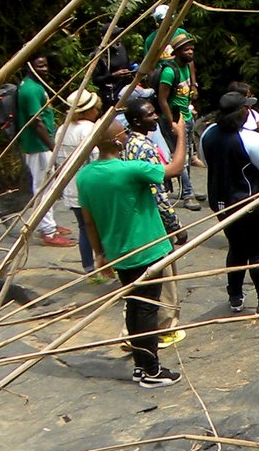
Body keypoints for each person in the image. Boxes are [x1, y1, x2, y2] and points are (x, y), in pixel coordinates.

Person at [76, 109, 188, 387]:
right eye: (123, 134)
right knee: (147, 308)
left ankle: (141, 365)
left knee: (135, 306)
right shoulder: (132, 170)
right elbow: (173, 169)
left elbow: (89, 223)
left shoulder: (85, 176)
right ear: (116, 142)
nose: (126, 136)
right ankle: (151, 371)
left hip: (118, 252)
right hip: (147, 249)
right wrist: (182, 135)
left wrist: (99, 253)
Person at [203, 86, 259, 315]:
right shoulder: (250, 138)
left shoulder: (208, 133)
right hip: (252, 204)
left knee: (236, 248)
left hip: (221, 203)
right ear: (241, 112)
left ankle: (235, 298)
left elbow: (207, 160)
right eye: (246, 108)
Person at [120, 91, 187, 345]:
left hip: (139, 216)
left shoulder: (128, 143)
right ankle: (164, 328)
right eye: (150, 115)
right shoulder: (144, 148)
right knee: (164, 277)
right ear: (136, 121)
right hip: (154, 219)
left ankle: (132, 333)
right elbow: (156, 191)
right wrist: (175, 225)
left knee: (138, 286)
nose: (155, 117)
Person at [17, 57, 73, 248]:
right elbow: (36, 121)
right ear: (29, 66)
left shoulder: (34, 85)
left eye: (46, 65)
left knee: (48, 185)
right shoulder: (30, 90)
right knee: (43, 187)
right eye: (40, 66)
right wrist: (52, 146)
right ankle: (48, 231)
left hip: (40, 144)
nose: (45, 69)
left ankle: (49, 224)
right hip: (38, 145)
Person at [52, 88, 104, 275]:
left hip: (71, 188)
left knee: (84, 228)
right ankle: (105, 263)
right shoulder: (89, 130)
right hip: (90, 188)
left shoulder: (62, 130)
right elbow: (97, 159)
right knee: (100, 227)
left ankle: (89, 267)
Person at [158, 35, 202, 205]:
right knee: (180, 156)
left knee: (188, 154)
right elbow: (162, 99)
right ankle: (188, 194)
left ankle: (186, 188)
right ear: (176, 52)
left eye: (191, 48)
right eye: (186, 49)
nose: (190, 52)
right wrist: (171, 122)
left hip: (187, 117)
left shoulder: (185, 67)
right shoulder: (170, 71)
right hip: (174, 119)